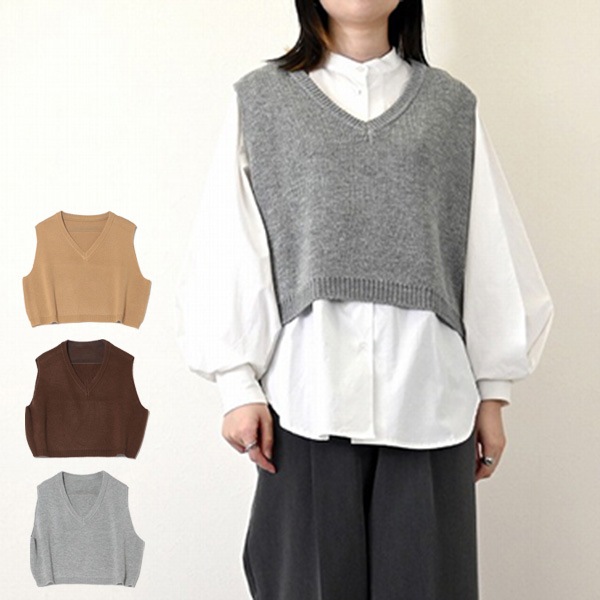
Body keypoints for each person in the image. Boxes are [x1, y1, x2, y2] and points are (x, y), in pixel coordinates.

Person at [175, 1, 554, 598]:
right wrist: (236, 384)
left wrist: (493, 390)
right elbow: (229, 243)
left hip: (429, 406)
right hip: (306, 406)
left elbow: (487, 246)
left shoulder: (452, 107)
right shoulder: (262, 100)